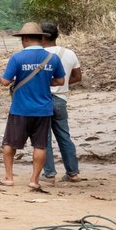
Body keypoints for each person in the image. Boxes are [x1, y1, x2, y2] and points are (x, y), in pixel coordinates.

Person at [0, 21, 66, 190]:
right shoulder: (53, 58)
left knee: (9, 144)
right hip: (43, 110)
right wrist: (43, 80)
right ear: (41, 39)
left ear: (25, 39)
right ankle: (34, 180)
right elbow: (60, 81)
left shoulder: (17, 57)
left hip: (20, 109)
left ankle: (9, 178)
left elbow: (5, 82)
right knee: (40, 145)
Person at [39, 22, 82, 182]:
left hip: (42, 99)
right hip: (61, 99)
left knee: (44, 138)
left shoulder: (37, 55)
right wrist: (62, 84)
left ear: (42, 37)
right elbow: (78, 77)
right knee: (64, 136)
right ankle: (73, 173)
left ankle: (49, 173)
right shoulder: (69, 53)